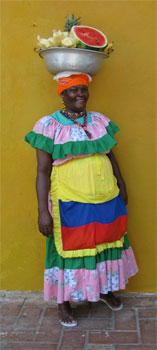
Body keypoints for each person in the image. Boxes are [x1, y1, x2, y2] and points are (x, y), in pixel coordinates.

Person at [25, 72, 138, 327]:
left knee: (105, 241)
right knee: (71, 246)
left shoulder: (99, 121)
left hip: (105, 197)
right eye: (73, 90)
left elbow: (110, 156)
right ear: (62, 94)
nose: (79, 95)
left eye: (83, 90)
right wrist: (43, 211)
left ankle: (104, 290)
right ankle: (63, 301)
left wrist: (121, 185)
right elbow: (42, 170)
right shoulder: (49, 125)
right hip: (69, 200)